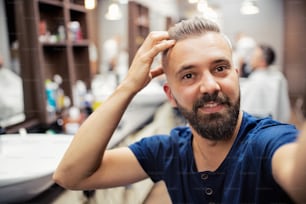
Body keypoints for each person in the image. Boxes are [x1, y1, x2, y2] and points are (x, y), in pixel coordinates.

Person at [53, 17, 306, 203]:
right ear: (170, 96)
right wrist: (128, 86)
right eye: (188, 75)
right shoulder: (169, 151)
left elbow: (298, 175)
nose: (209, 85)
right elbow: (71, 175)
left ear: (236, 76)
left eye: (220, 68)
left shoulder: (266, 143)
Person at [240, 44, 291, 123]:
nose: (250, 58)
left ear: (262, 62)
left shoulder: (257, 82)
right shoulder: (277, 76)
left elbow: (245, 108)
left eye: (253, 56)